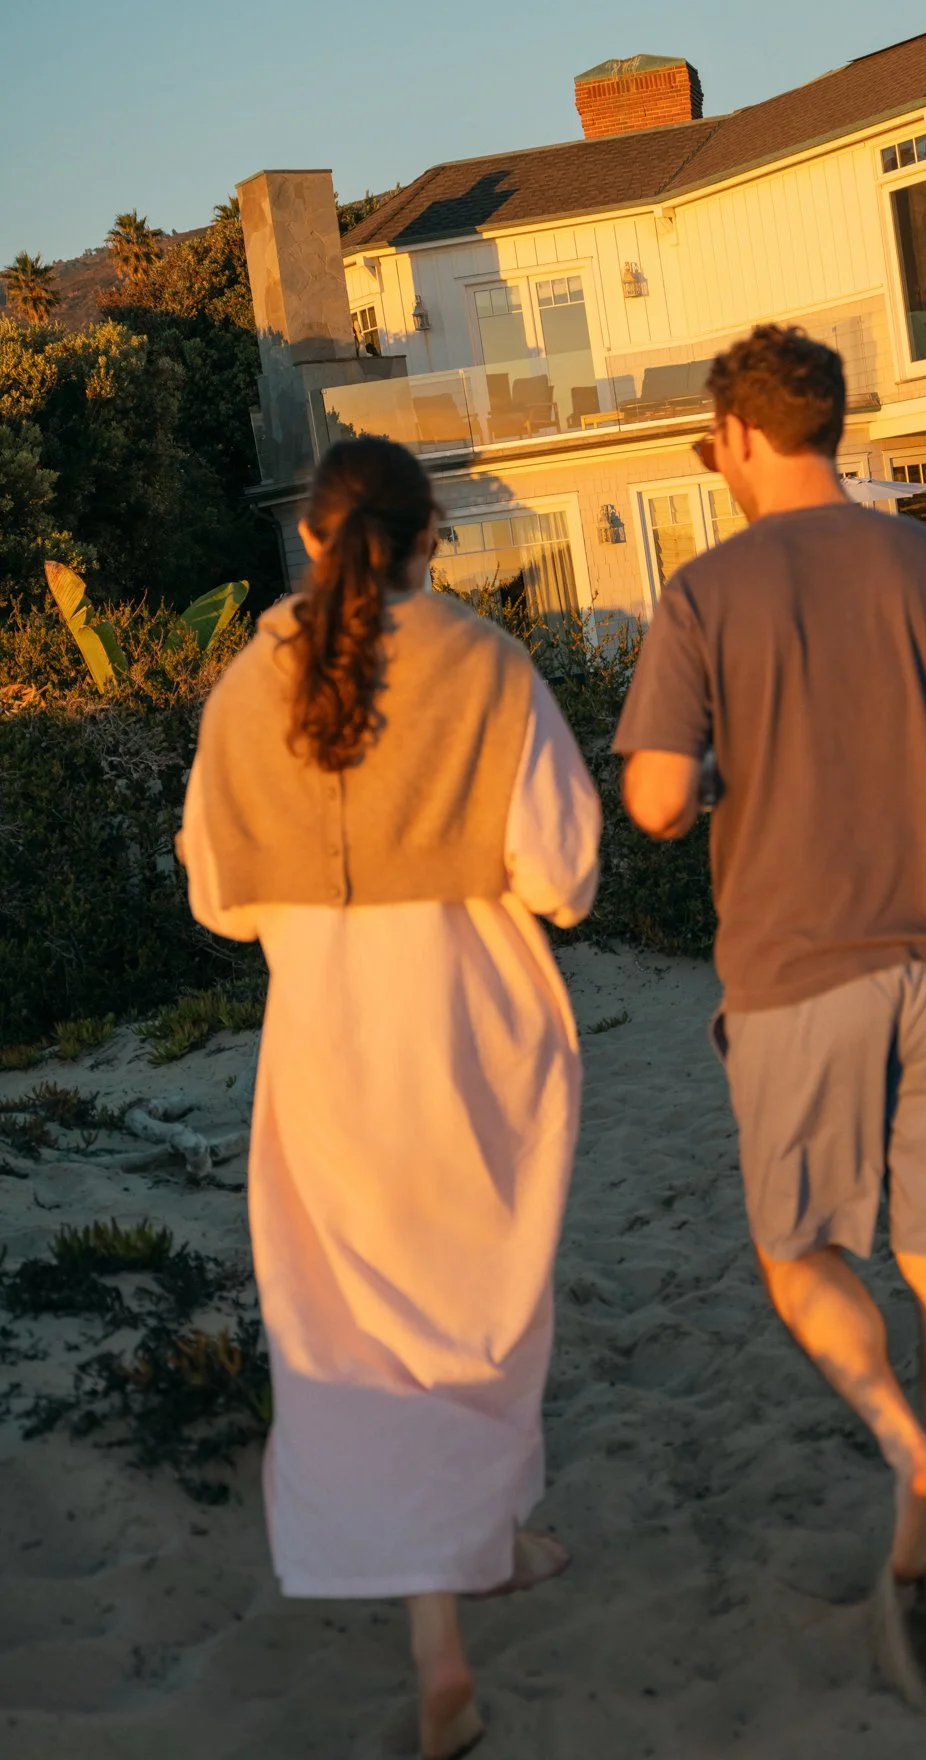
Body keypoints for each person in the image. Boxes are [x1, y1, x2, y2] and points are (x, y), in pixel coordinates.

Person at [615, 324, 926, 1692]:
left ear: (747, 438)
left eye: (713, 444)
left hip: (796, 972)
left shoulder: (705, 593)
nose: (715, 465)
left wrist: (711, 779)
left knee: (803, 1250)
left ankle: (906, 1443)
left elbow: (652, 800)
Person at [179, 438, 600, 1760]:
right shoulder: (486, 664)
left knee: (357, 1329)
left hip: (326, 1041)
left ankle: (446, 1624)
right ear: (432, 540)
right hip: (476, 1029)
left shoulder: (249, 686)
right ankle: (478, 1558)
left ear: (312, 538)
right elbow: (565, 876)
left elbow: (215, 898)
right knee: (478, 1313)